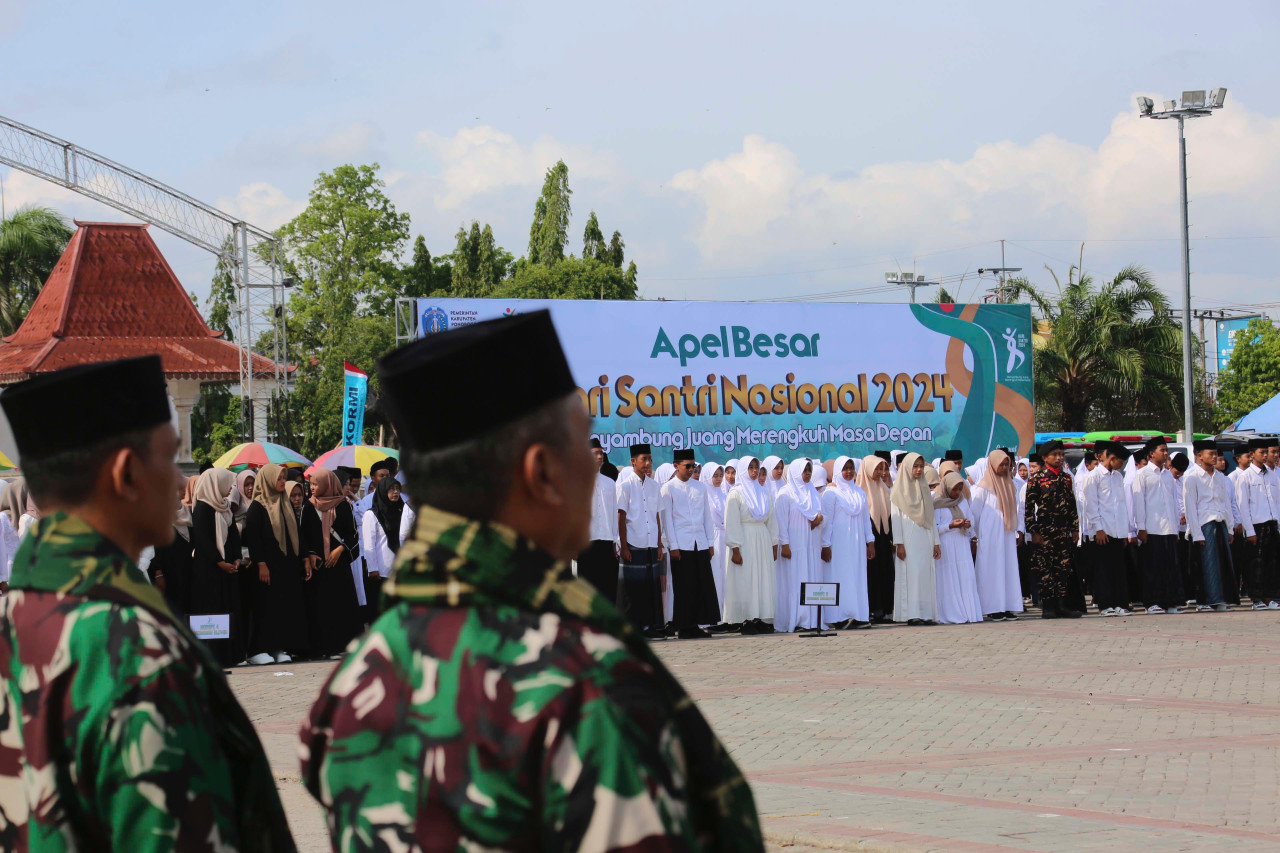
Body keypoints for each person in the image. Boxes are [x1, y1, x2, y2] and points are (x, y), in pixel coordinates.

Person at [300, 310, 763, 850]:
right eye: (582, 444)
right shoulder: (584, 682)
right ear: (542, 471)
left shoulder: (356, 679)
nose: (593, 473)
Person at [0, 355, 294, 849]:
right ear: (127, 474)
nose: (182, 483)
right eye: (170, 457)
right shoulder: (140, 656)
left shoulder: (19, 617)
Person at [245, 463, 309, 664]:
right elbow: (254, 538)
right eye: (279, 479)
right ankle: (259, 650)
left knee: (284, 607)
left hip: (286, 565)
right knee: (267, 607)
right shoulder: (257, 506)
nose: (283, 482)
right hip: (268, 565)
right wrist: (261, 563)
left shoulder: (284, 502)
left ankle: (280, 648)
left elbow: (296, 533)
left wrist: (304, 558)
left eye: (284, 478)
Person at [190, 467, 249, 666]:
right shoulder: (202, 508)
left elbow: (232, 535)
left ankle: (230, 654)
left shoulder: (224, 507)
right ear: (216, 484)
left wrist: (235, 559)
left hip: (226, 568)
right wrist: (219, 562)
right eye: (227, 483)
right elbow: (203, 540)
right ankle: (211, 655)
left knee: (228, 609)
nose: (231, 488)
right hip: (208, 569)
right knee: (210, 611)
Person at [660, 449, 720, 639]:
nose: (691, 469)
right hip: (681, 543)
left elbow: (706, 517)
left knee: (701, 584)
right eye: (687, 466)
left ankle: (695, 624)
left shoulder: (700, 487)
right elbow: (667, 519)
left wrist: (710, 542)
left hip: (699, 542)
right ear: (676, 466)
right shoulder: (668, 488)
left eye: (693, 465)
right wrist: (673, 545)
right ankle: (684, 627)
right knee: (684, 586)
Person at [307, 468, 363, 657]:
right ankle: (324, 648)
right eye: (311, 484)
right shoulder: (309, 506)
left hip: (338, 565)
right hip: (320, 566)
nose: (313, 488)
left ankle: (342, 646)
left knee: (341, 605)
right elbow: (305, 536)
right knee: (321, 607)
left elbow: (353, 534)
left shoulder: (342, 505)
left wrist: (340, 550)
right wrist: (312, 554)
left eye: (316, 484)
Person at [1025, 440, 1083, 619]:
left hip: (1063, 530)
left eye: (1061, 454)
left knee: (1063, 569)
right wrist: (1033, 530)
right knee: (1046, 570)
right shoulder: (1037, 479)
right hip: (1045, 531)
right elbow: (1028, 508)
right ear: (1045, 458)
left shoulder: (1066, 478)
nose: (1059, 458)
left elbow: (1072, 505)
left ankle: (1061, 606)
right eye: (1055, 455)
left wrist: (1074, 529)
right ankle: (1048, 607)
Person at [616, 442, 667, 638]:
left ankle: (652, 627)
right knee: (632, 590)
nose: (647, 463)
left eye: (650, 459)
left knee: (651, 589)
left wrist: (660, 543)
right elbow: (620, 517)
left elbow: (656, 516)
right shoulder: (625, 486)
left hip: (650, 543)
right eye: (643, 459)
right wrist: (624, 545)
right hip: (633, 543)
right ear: (633, 461)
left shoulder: (654, 486)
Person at [723, 456, 779, 634]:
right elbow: (731, 521)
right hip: (744, 539)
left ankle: (761, 617)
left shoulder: (764, 492)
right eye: (751, 468)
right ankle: (746, 619)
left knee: (762, 579)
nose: (755, 472)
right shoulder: (736, 493)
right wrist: (735, 548)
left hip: (762, 538)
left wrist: (774, 544)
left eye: (757, 468)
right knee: (745, 579)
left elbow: (771, 520)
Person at [1131, 436, 1185, 614]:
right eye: (1162, 450)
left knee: (1170, 567)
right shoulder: (1142, 474)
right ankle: (1152, 602)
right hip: (1152, 528)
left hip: (1169, 528)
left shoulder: (1168, 475)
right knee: (1152, 568)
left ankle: (1170, 601)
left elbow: (1173, 502)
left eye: (1166, 450)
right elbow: (1138, 502)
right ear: (1151, 454)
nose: (1166, 453)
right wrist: (1141, 527)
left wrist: (1176, 528)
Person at [970, 449, 1025, 621]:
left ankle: (1008, 605)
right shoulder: (983, 487)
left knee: (1007, 568)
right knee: (991, 570)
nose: (1003, 467)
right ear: (992, 464)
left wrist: (1018, 530)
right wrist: (975, 536)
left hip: (1007, 534)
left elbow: (1016, 510)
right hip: (990, 535)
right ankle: (992, 607)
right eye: (1001, 464)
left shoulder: (1011, 485)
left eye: (1006, 464)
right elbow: (975, 514)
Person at [820, 455, 874, 628]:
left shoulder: (860, 492)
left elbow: (866, 519)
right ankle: (838, 618)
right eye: (845, 468)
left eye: (851, 468)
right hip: (838, 543)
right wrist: (825, 545)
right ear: (838, 471)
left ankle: (857, 615)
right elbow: (827, 521)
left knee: (856, 576)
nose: (849, 472)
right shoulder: (830, 493)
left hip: (856, 544)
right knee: (839, 576)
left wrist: (870, 541)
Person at [1183, 439, 1236, 613]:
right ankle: (1204, 600)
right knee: (1206, 564)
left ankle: (1220, 599)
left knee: (1221, 563)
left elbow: (1225, 502)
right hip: (1204, 524)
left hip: (1220, 521)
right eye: (1210, 454)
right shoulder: (1191, 477)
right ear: (1199, 456)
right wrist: (1196, 533)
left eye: (1216, 454)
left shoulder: (1220, 477)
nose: (1214, 457)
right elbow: (1190, 506)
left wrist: (1229, 528)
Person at [1084, 442, 1134, 616]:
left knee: (1118, 569)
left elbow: (1121, 505)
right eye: (1120, 462)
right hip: (1103, 530)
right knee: (1103, 570)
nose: (1122, 465)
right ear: (1112, 458)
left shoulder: (1118, 477)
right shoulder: (1094, 477)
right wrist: (1098, 529)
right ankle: (1105, 605)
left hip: (1118, 530)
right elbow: (1091, 505)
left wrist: (1125, 532)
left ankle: (1120, 603)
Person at [774, 459, 824, 632]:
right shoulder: (785, 494)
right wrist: (785, 544)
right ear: (795, 472)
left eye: (809, 471)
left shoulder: (812, 492)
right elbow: (780, 522)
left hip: (810, 544)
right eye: (804, 471)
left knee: (810, 577)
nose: (808, 474)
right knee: (795, 581)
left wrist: (818, 520)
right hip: (793, 546)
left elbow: (818, 515)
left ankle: (811, 620)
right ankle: (796, 619)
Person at [891, 452, 940, 625]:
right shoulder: (897, 490)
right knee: (911, 576)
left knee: (925, 576)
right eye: (915, 466)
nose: (919, 470)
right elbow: (895, 520)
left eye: (921, 466)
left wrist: (936, 542)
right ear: (907, 467)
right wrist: (899, 544)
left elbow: (931, 517)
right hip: (908, 539)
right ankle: (912, 614)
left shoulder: (924, 487)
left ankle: (926, 614)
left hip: (925, 538)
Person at [933, 469, 984, 624]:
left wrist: (967, 524)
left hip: (961, 543)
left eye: (959, 488)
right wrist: (950, 525)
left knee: (964, 577)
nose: (957, 492)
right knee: (950, 579)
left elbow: (971, 520)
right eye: (954, 489)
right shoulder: (937, 502)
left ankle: (968, 611)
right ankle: (951, 613)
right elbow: (934, 527)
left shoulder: (962, 501)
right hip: (947, 545)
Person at [577, 437, 620, 603]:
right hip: (587, 543)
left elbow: (613, 512)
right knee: (588, 590)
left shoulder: (610, 483)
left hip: (607, 543)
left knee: (609, 588)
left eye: (601, 453)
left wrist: (616, 542)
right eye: (595, 453)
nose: (600, 457)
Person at [1237, 438, 1279, 609]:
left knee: (1273, 564)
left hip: (1272, 524)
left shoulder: (1273, 474)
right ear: (1251, 454)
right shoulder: (1245, 476)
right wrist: (1249, 531)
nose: (1265, 455)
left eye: (1265, 452)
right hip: (1256, 526)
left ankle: (1271, 597)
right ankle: (1257, 599)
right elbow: (1243, 505)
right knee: (1256, 564)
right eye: (1261, 452)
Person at [360, 475, 408, 622]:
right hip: (381, 570)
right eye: (391, 489)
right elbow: (369, 543)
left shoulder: (402, 511)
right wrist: (372, 568)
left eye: (397, 489)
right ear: (382, 491)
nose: (395, 492)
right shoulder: (371, 514)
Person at [149, 474, 197, 615]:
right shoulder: (159, 514)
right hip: (168, 569)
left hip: (187, 569)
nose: (184, 491)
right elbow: (154, 546)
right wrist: (158, 574)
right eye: (180, 488)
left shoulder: (187, 511)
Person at [857, 454, 896, 623]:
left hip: (883, 541)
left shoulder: (884, 489)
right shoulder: (859, 491)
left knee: (885, 573)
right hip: (868, 542)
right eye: (877, 468)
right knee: (870, 575)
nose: (880, 472)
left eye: (882, 468)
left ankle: (886, 609)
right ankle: (872, 609)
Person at [702, 462, 730, 614]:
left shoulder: (723, 494)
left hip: (724, 538)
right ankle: (713, 614)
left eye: (720, 476)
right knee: (714, 577)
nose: (719, 479)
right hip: (712, 538)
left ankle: (725, 614)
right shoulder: (704, 495)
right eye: (715, 476)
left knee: (725, 577)